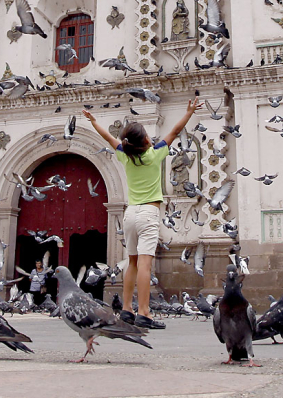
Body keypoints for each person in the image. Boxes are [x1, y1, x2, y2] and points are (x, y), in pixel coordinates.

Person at [83, 98, 200, 330]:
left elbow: (108, 137)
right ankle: (144, 312)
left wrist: (94, 121)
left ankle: (127, 309)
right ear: (146, 139)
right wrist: (189, 112)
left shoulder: (125, 156)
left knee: (132, 263)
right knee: (145, 264)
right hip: (148, 213)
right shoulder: (154, 155)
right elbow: (175, 131)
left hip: (130, 214)